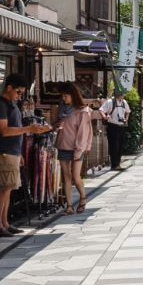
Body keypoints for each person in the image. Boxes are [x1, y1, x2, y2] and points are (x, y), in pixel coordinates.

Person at [0, 74, 50, 238]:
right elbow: (4, 130)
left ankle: (5, 223)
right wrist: (30, 129)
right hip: (3, 151)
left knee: (8, 188)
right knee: (3, 188)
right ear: (9, 88)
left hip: (11, 151)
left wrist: (19, 152)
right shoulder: (0, 105)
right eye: (18, 92)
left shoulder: (11, 104)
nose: (20, 96)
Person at [54, 85, 93, 215]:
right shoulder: (62, 109)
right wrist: (56, 125)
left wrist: (79, 149)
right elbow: (55, 124)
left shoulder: (83, 111)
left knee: (76, 176)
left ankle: (82, 198)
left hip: (77, 147)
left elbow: (83, 133)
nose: (63, 98)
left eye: (66, 96)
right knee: (66, 177)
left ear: (73, 95)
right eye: (62, 96)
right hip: (63, 144)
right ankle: (69, 206)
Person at [99, 89, 130, 170]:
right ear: (117, 94)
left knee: (120, 146)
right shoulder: (110, 101)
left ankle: (118, 164)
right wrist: (105, 117)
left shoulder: (124, 102)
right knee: (114, 146)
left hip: (121, 126)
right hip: (112, 126)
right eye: (122, 94)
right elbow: (101, 110)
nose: (123, 95)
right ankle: (114, 165)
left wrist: (126, 119)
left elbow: (128, 111)